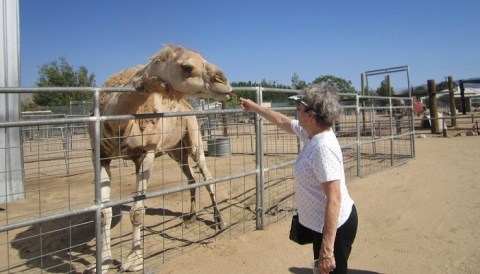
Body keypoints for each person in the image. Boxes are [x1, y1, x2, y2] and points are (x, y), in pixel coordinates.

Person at [240, 83, 358, 274]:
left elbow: (334, 199)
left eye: (299, 108)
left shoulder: (323, 147)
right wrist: (255, 107)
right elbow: (282, 121)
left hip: (335, 228)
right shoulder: (311, 134)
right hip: (323, 225)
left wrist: (327, 250)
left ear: (311, 116)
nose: (295, 111)